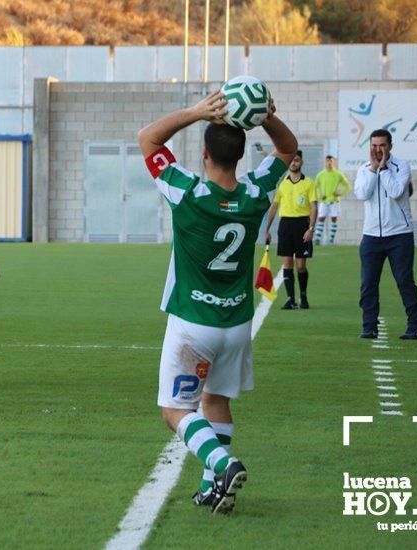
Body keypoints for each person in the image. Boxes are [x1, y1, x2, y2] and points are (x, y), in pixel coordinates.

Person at [138, 90, 297, 514]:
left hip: (194, 322)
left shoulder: (185, 191)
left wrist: (195, 112)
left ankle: (221, 463)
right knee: (216, 401)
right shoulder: (258, 192)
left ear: (205, 154)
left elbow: (148, 139)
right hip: (237, 325)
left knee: (175, 409)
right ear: (241, 156)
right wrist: (264, 116)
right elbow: (288, 149)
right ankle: (213, 489)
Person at [354, 129, 417, 340]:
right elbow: (362, 194)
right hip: (371, 236)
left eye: (382, 145)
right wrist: (374, 170)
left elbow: (395, 192)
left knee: (405, 281)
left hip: (399, 235)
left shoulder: (401, 166)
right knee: (368, 283)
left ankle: (416, 326)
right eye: (374, 146)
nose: (377, 149)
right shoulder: (364, 169)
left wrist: (383, 169)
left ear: (390, 146)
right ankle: (369, 327)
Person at [264, 150, 318, 310]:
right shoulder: (283, 184)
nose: (294, 163)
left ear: (301, 162)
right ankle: (290, 299)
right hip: (285, 225)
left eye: (297, 160)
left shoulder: (309, 183)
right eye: (292, 160)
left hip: (302, 225)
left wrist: (311, 228)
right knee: (287, 263)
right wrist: (266, 229)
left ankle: (303, 296)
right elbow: (274, 206)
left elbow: (314, 207)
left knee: (300, 265)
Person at [314, 155, 349, 245]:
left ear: (333, 162)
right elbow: (315, 187)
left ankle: (331, 240)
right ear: (325, 162)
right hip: (324, 201)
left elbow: (346, 185)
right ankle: (317, 239)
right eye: (327, 161)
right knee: (321, 218)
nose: (329, 163)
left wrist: (339, 193)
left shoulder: (338, 174)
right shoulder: (321, 174)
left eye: (331, 161)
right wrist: (319, 196)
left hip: (334, 201)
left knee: (334, 218)